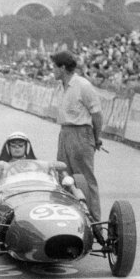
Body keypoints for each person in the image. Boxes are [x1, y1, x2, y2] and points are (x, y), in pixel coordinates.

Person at [51, 50, 103, 224]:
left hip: (81, 133)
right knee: (64, 176)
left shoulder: (83, 85)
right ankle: (72, 219)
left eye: (54, 67)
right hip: (64, 132)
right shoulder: (61, 86)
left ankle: (94, 221)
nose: (52, 70)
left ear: (63, 68)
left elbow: (96, 114)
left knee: (85, 179)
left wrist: (97, 138)